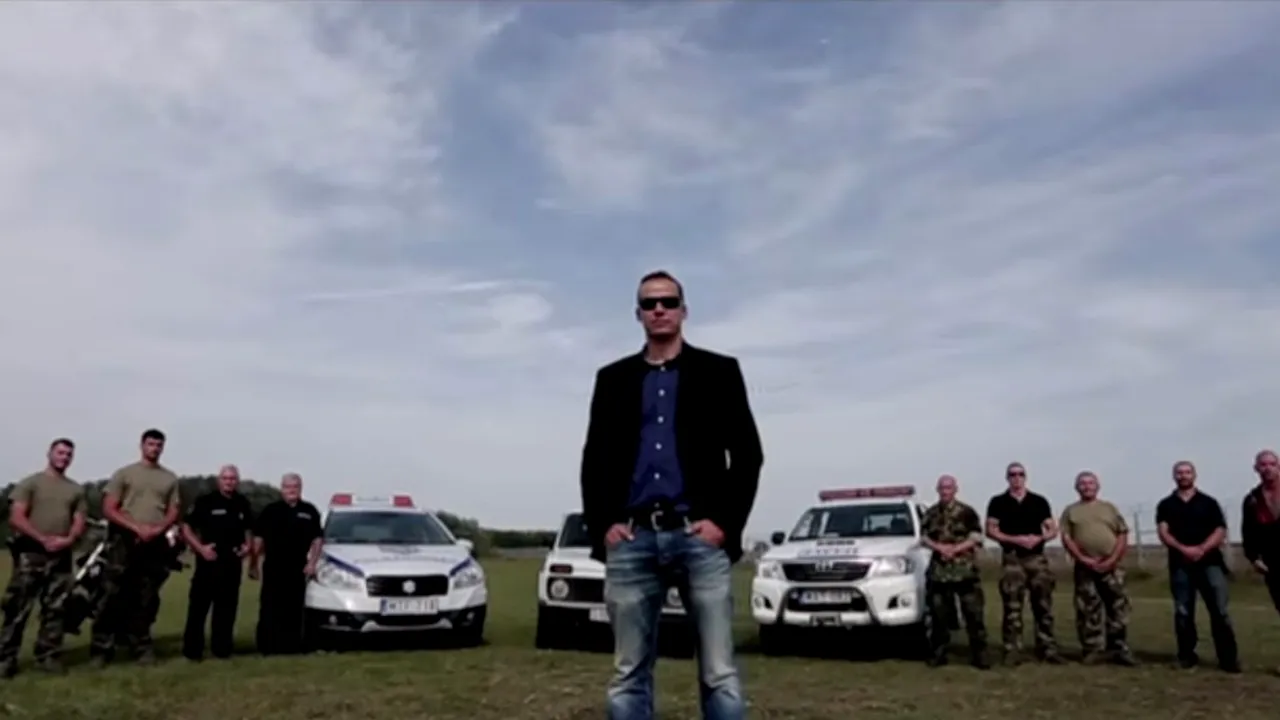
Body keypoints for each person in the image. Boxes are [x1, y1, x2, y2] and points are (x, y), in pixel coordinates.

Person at [580, 270, 764, 720]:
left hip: (699, 538)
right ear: (638, 314)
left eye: (667, 301)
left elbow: (747, 455)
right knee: (628, 673)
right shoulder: (613, 379)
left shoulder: (719, 372)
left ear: (683, 310)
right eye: (649, 303)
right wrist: (604, 525)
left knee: (719, 672)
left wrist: (724, 525)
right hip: (633, 540)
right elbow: (594, 460)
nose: (658, 309)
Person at [89, 428, 182, 667]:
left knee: (146, 597)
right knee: (111, 594)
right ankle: (101, 649)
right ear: (142, 445)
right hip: (124, 542)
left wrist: (158, 529)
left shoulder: (169, 478)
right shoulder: (125, 474)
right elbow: (109, 508)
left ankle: (141, 646)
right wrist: (136, 527)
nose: (154, 449)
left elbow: (173, 510)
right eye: (151, 444)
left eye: (158, 445)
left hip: (154, 544)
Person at [0, 438, 88, 679]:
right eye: (60, 452)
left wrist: (69, 539)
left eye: (68, 454)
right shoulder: (31, 483)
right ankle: (6, 658)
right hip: (31, 553)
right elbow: (16, 517)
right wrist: (41, 538)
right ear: (49, 454)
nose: (64, 457)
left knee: (56, 608)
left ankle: (48, 655)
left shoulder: (75, 490)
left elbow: (79, 520)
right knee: (18, 607)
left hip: (61, 554)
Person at [1155, 460, 1239, 673]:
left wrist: (1202, 548)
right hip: (1180, 565)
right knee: (1183, 612)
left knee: (1219, 611)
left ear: (1194, 475)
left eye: (1187, 472)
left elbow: (1220, 530)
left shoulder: (1208, 502)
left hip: (1210, 564)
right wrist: (1183, 549)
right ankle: (1187, 656)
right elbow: (1163, 532)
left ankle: (1228, 659)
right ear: (1174, 476)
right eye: (1179, 472)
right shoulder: (1166, 504)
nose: (1183, 476)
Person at [984, 461, 1064, 665]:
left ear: (1025, 477)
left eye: (1020, 474)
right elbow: (991, 530)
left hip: (1036, 559)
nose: (1017, 478)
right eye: (1012, 474)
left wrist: (1039, 538)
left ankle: (1047, 648)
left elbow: (1052, 529)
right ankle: (1012, 650)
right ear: (1007, 478)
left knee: (1043, 605)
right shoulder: (998, 502)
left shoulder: (1038, 501)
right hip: (1012, 559)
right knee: (1012, 607)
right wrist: (1015, 539)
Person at [1059, 471, 1137, 666]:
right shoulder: (1071, 511)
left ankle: (1118, 648)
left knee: (1117, 607)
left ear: (1097, 486)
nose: (1087, 487)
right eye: (1083, 483)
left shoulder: (1109, 508)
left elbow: (1122, 534)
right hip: (1085, 567)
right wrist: (1083, 559)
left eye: (1090, 483)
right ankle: (1092, 649)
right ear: (1077, 487)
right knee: (1088, 608)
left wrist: (1113, 559)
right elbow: (1067, 538)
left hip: (1112, 566)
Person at [180, 465, 252, 661]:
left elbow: (248, 529)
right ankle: (193, 651)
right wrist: (200, 548)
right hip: (208, 562)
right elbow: (186, 527)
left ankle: (222, 650)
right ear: (219, 480)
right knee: (198, 608)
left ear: (237, 481)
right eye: (225, 478)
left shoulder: (242, 503)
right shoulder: (205, 501)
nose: (229, 482)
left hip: (232, 563)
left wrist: (247, 546)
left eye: (232, 478)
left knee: (227, 609)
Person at [919, 474, 990, 669]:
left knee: (973, 614)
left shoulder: (967, 512)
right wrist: (940, 548)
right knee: (938, 616)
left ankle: (980, 654)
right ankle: (939, 653)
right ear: (937, 490)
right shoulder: (931, 514)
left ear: (955, 489)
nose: (945, 491)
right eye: (942, 488)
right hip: (939, 573)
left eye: (949, 488)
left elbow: (976, 536)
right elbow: (924, 537)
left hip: (964, 571)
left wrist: (955, 549)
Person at [249, 472, 322, 655]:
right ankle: (267, 647)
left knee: (294, 609)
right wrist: (253, 563)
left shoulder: (309, 511)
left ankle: (291, 647)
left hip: (298, 567)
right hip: (273, 567)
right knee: (269, 607)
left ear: (300, 488)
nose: (292, 490)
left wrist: (312, 563)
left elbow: (317, 540)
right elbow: (258, 539)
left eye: (295, 487)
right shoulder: (271, 510)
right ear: (282, 489)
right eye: (288, 487)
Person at [1242, 449, 1280, 615]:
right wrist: (1253, 558)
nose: (1268, 468)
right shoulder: (1252, 499)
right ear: (1256, 468)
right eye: (1263, 464)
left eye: (1272, 464)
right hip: (1273, 563)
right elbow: (1248, 532)